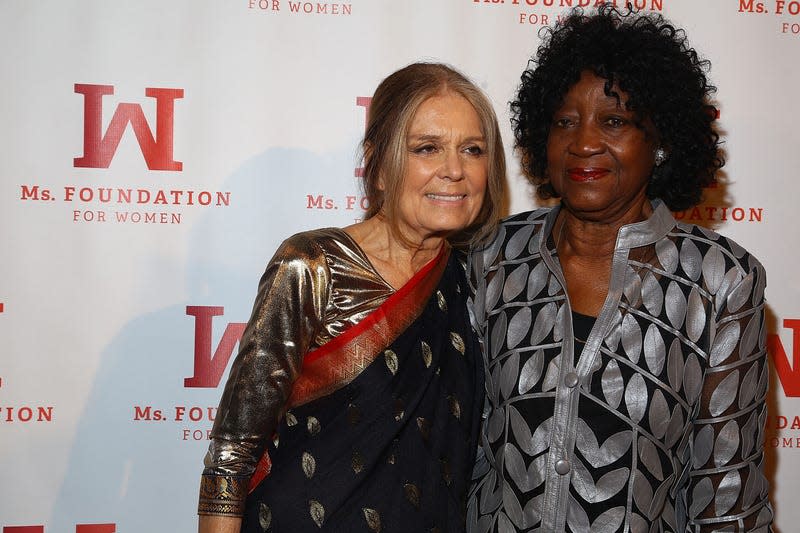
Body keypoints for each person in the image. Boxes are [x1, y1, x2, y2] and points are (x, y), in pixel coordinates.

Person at [467, 6, 773, 532]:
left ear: (660, 142)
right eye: (564, 121)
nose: (584, 143)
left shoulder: (720, 282)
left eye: (614, 121)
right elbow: (453, 455)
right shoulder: (491, 257)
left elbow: (729, 498)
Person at [197, 62, 507, 533]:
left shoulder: (476, 281)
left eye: (473, 150)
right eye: (427, 148)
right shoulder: (312, 265)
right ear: (379, 164)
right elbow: (232, 451)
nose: (455, 170)